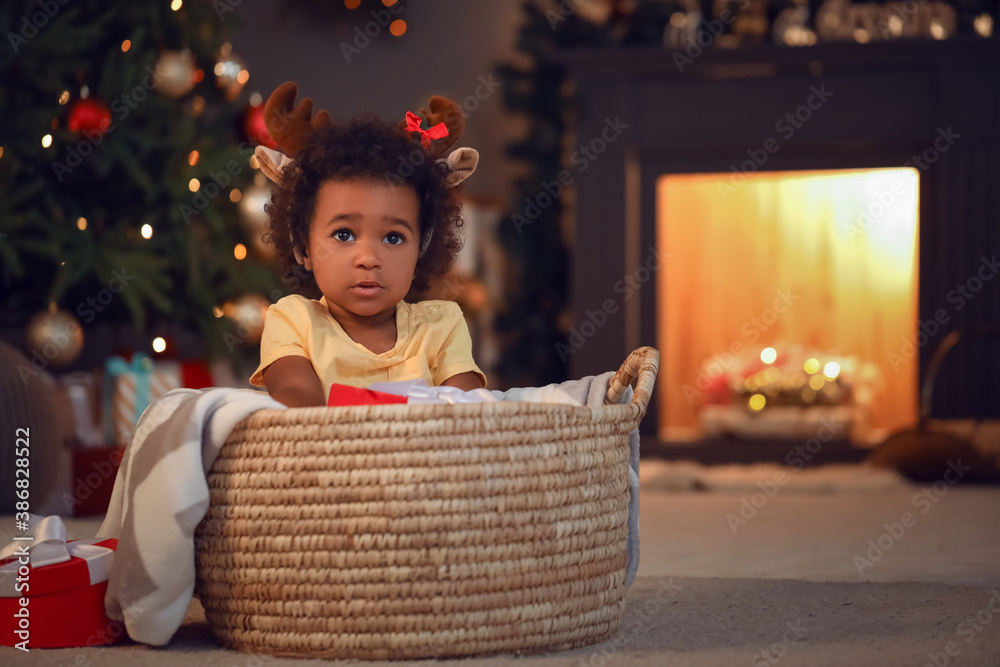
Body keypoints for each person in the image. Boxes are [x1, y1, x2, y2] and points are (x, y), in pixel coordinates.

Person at [248, 83, 485, 407]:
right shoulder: (293, 321)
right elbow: (298, 408)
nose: (368, 258)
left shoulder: (441, 326)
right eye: (344, 234)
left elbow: (470, 413)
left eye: (393, 238)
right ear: (303, 247)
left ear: (421, 249)